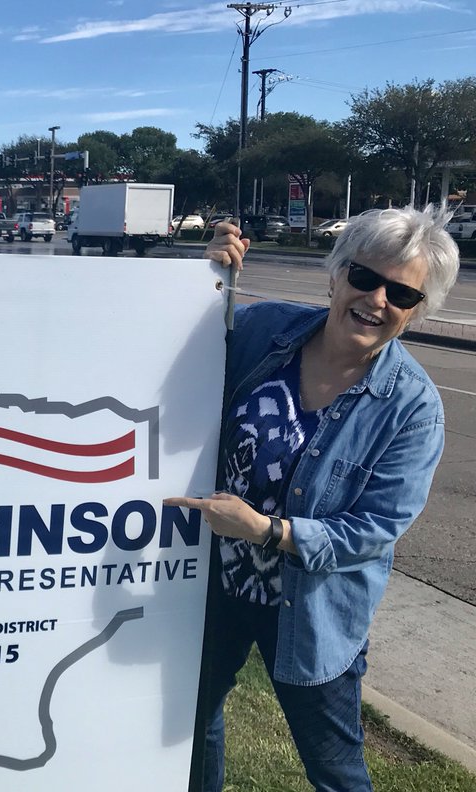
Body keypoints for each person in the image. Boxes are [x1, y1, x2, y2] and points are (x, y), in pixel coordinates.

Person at [166, 207, 459, 791]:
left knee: (335, 770)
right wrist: (204, 280)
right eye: (365, 277)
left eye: (401, 292)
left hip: (312, 609)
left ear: (416, 311)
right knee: (188, 723)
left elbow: (376, 528)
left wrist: (267, 531)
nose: (377, 299)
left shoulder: (413, 409)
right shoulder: (261, 332)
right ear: (335, 274)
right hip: (216, 586)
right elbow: (174, 359)